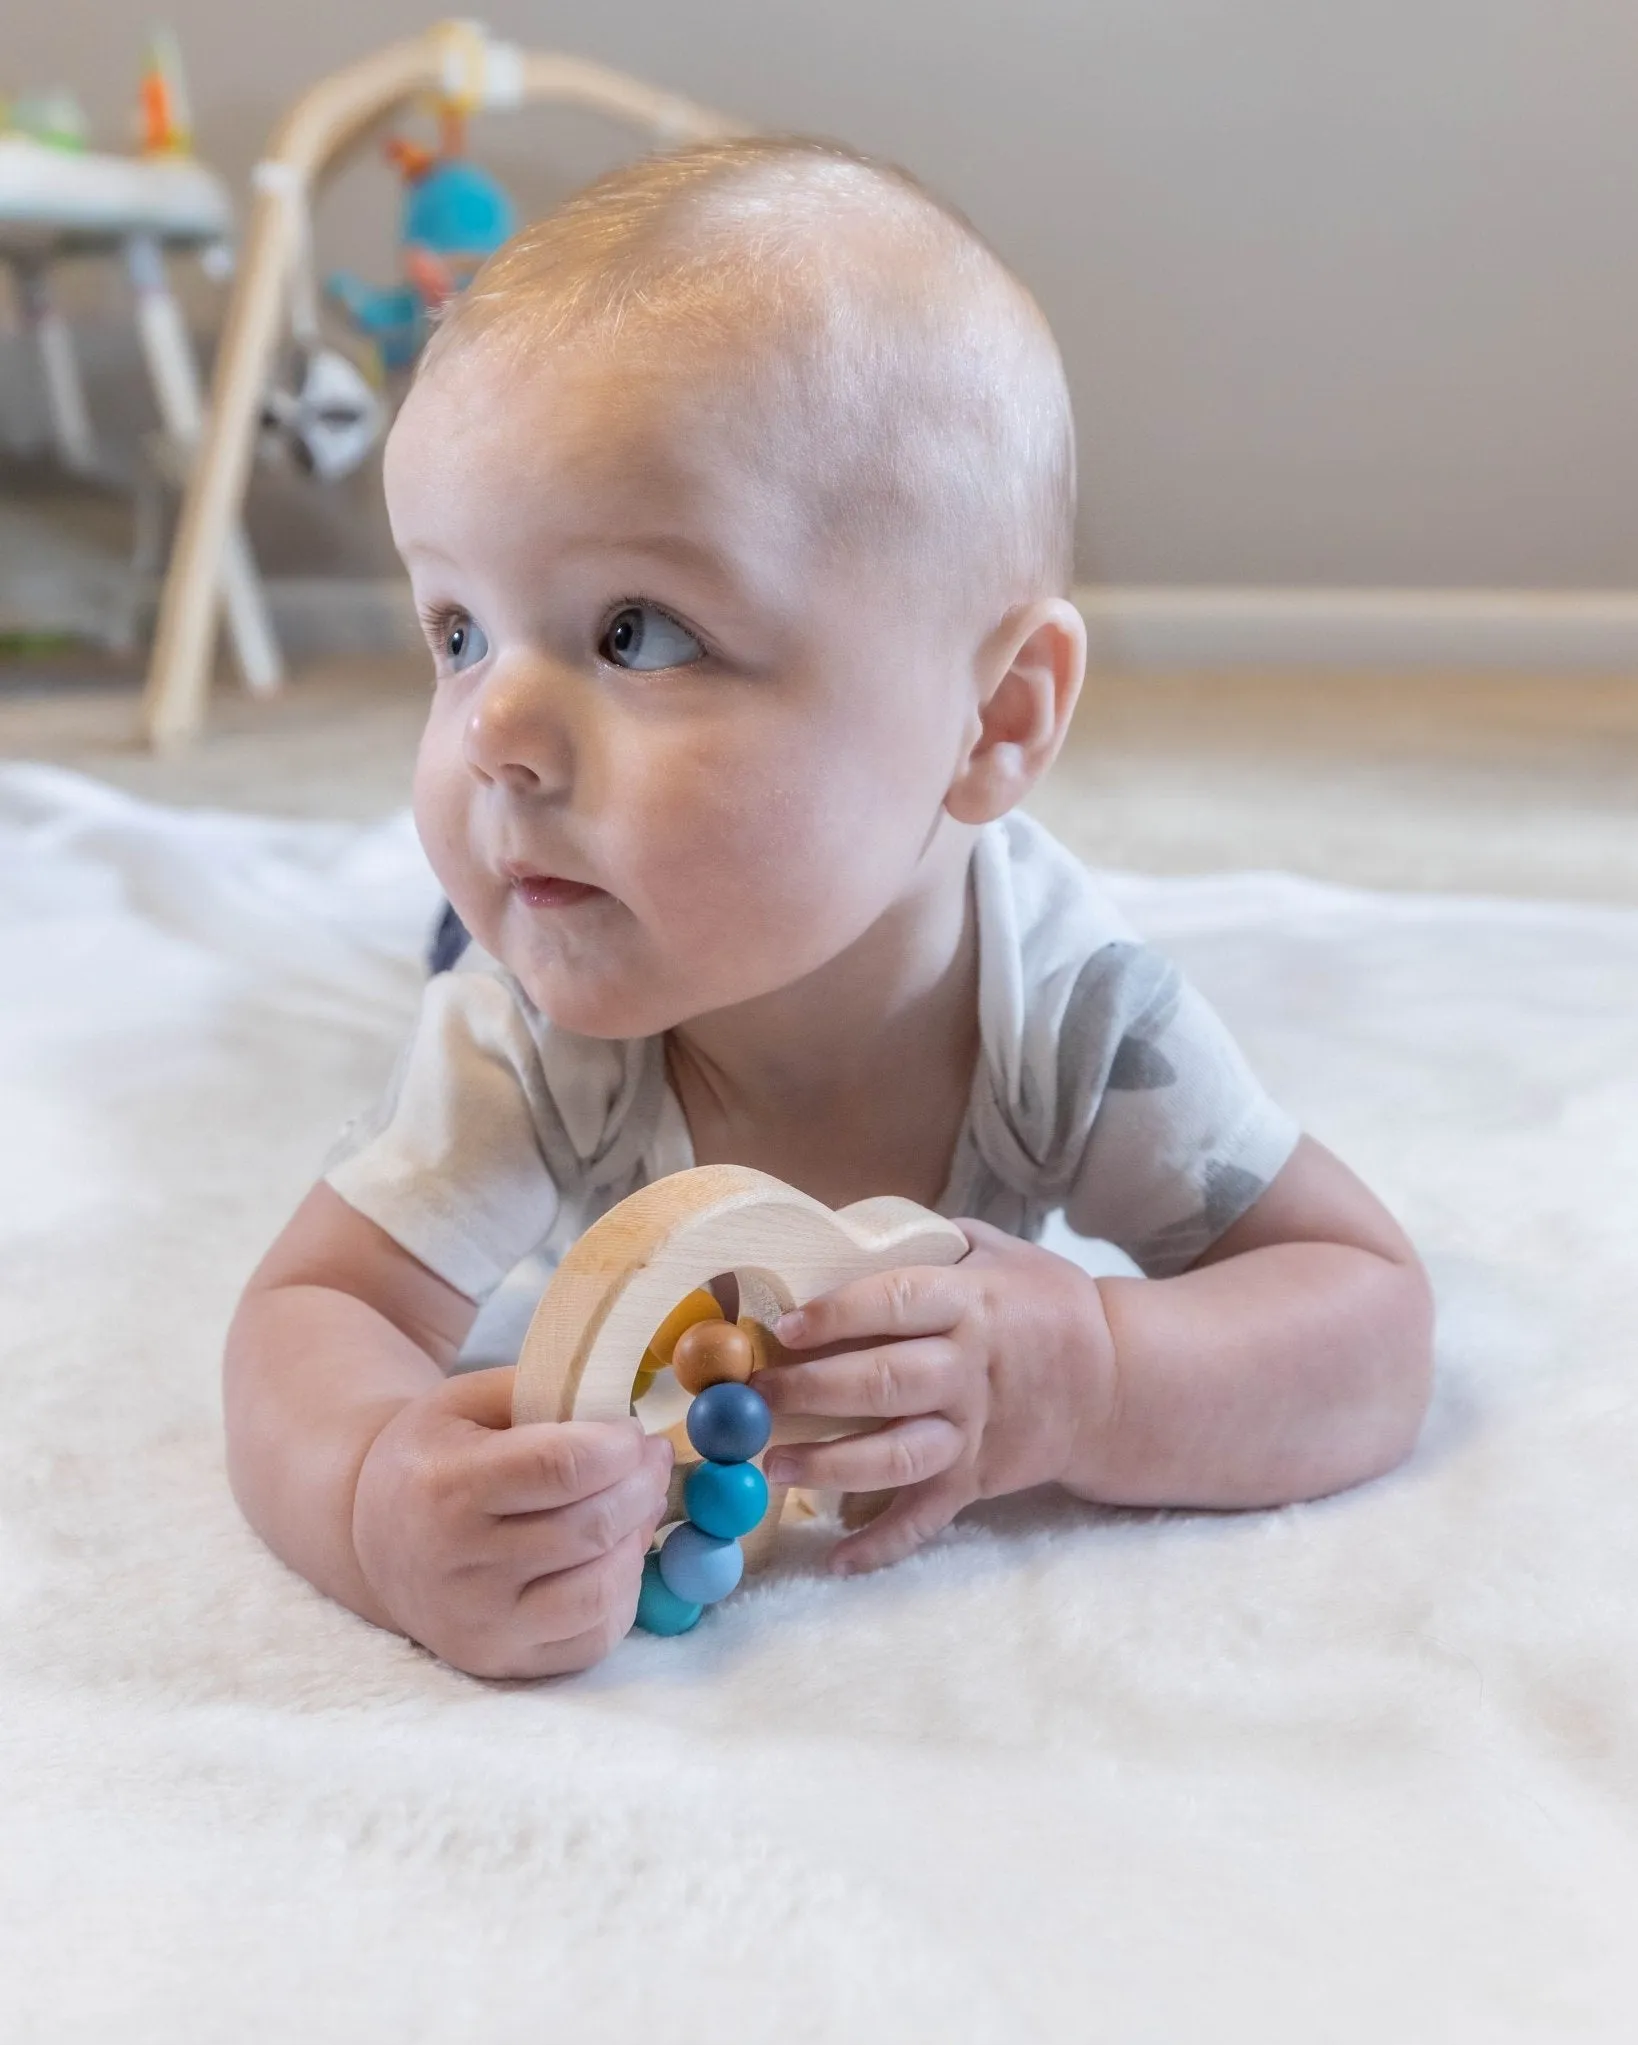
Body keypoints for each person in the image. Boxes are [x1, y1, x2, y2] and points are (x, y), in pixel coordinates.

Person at [224, 138, 1433, 1680]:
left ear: (991, 721)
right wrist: (368, 1496)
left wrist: (1098, 1373)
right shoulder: (530, 1033)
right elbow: (316, 1310)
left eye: (637, 631)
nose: (489, 733)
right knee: (467, 939)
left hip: (655, 900)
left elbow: (1370, 1322)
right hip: (549, 917)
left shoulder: (1070, 1018)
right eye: (455, 630)